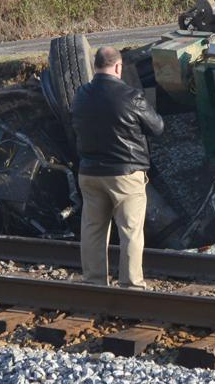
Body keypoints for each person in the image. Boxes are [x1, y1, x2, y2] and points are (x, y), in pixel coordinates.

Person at [71, 45, 163, 288]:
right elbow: (157, 127)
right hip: (125, 173)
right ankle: (131, 285)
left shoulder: (81, 95)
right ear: (118, 66)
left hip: (89, 172)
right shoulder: (131, 97)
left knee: (92, 229)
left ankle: (94, 282)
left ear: (95, 66)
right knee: (130, 231)